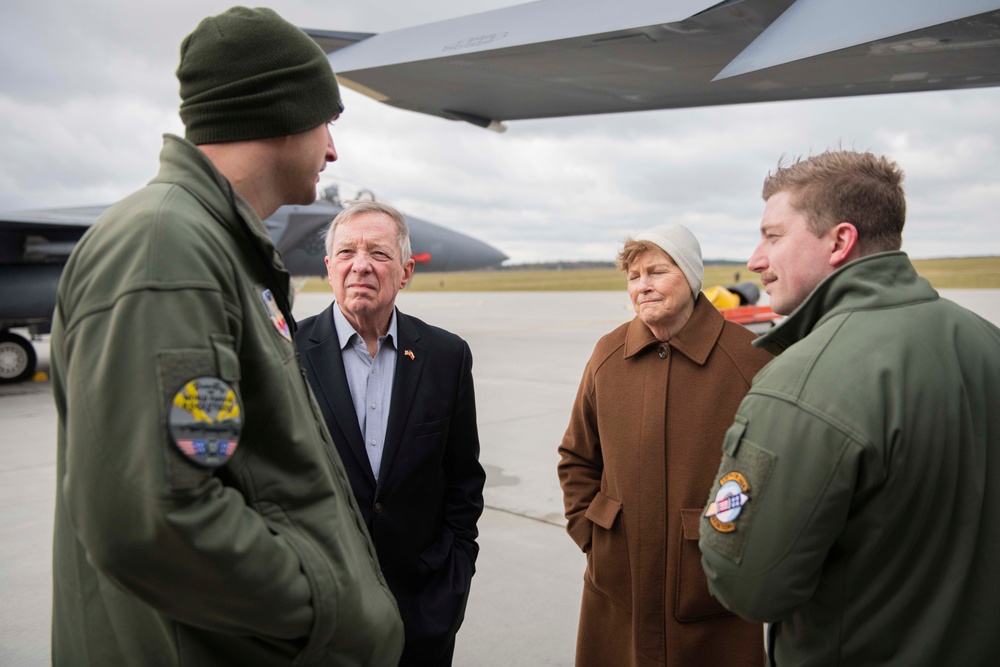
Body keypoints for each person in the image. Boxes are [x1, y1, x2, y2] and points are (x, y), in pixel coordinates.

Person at [50, 8, 403, 665]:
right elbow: (152, 521)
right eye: (327, 122)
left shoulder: (212, 247)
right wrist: (328, 606)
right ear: (282, 112)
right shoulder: (168, 250)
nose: (332, 150)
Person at [699, 150, 1000, 666]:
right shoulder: (986, 341)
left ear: (840, 241)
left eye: (773, 236)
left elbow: (749, 586)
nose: (754, 259)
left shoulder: (803, 383)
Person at [557, 223, 772, 667]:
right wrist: (592, 535)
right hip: (617, 583)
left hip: (713, 587)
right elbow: (577, 457)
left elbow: (779, 472)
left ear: (691, 277)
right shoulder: (607, 354)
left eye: (657, 272)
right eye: (634, 277)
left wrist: (738, 551)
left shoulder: (751, 358)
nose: (643, 286)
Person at [295, 200, 486, 667]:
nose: (361, 265)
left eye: (378, 254)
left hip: (421, 619)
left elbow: (463, 480)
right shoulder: (286, 354)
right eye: (346, 253)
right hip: (316, 619)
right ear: (328, 267)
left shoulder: (446, 356)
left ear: (404, 273)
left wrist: (451, 584)